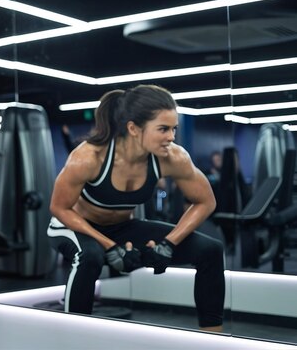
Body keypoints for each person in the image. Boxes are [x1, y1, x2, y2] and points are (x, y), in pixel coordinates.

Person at [47, 84, 225, 332]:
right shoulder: (89, 157)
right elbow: (59, 208)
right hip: (72, 226)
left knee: (210, 250)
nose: (171, 137)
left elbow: (206, 201)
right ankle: (74, 336)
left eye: (173, 129)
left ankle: (212, 337)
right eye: (163, 129)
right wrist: (110, 246)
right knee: (90, 257)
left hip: (121, 227)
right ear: (133, 128)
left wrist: (169, 243)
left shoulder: (173, 157)